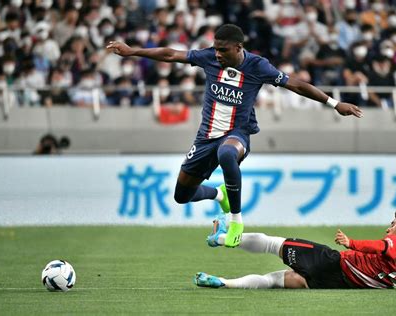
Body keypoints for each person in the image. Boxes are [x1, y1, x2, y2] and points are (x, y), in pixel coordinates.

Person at [106, 24, 362, 248]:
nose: (217, 54)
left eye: (223, 50)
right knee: (182, 196)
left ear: (238, 48)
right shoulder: (208, 58)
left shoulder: (258, 66)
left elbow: (295, 84)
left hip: (237, 133)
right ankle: (220, 195)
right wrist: (132, 51)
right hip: (205, 138)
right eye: (215, 49)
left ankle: (235, 222)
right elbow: (171, 54)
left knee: (227, 154)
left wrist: (333, 103)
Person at [195, 207, 396, 290]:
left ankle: (221, 237)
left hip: (331, 262)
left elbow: (378, 246)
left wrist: (351, 243)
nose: (389, 228)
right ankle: (224, 282)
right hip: (333, 283)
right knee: (271, 280)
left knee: (272, 243)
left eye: (394, 224)